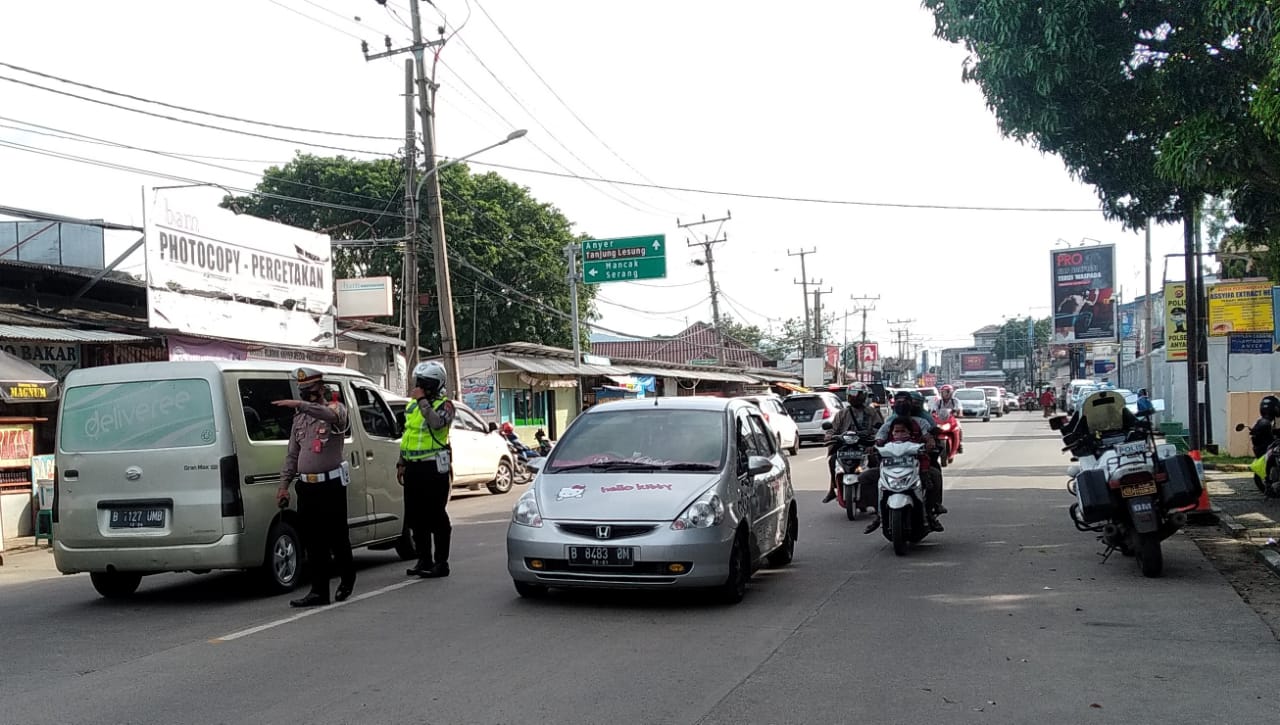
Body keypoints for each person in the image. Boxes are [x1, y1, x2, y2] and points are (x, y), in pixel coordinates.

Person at [275, 367, 354, 608]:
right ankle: (319, 591)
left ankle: (347, 578)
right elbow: (292, 454)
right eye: (302, 391)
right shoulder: (299, 419)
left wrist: (300, 403)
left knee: (337, 536)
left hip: (331, 485)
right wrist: (284, 485)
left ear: (320, 389)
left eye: (309, 391)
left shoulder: (335, 409)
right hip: (307, 487)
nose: (306, 395)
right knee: (313, 541)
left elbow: (330, 417)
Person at [399, 361, 457, 579]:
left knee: (436, 515)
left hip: (434, 469)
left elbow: (436, 423)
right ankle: (424, 559)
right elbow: (408, 435)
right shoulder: (412, 406)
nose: (420, 386)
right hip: (413, 467)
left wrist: (423, 400)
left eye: (424, 383)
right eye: (419, 383)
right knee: (414, 517)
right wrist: (401, 462)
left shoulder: (446, 405)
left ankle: (441, 562)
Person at [860, 416, 945, 534]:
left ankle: (929, 514)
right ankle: (879, 513)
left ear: (910, 432)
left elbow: (926, 455)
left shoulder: (916, 444)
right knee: (864, 477)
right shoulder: (887, 444)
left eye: (903, 431)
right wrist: (872, 449)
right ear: (892, 432)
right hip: (890, 475)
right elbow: (877, 443)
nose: (899, 434)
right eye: (896, 431)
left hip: (913, 473)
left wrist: (929, 447)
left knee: (934, 477)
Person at [823, 383, 884, 503]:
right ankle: (832, 489)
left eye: (857, 395)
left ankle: (878, 494)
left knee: (875, 461)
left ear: (864, 396)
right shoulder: (842, 413)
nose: (854, 397)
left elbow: (880, 429)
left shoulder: (872, 412)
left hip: (866, 445)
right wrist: (829, 436)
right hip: (846, 446)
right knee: (833, 460)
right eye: (851, 395)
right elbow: (833, 429)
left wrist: (875, 440)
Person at [1248, 396, 1280, 490]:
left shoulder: (1264, 422)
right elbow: (1272, 439)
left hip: (1265, 450)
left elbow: (1273, 433)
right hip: (1268, 451)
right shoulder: (1265, 423)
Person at [930, 384, 964, 461]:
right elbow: (933, 410)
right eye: (943, 392)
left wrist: (958, 413)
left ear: (951, 393)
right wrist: (933, 414)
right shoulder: (938, 402)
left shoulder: (955, 401)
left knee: (959, 427)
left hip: (952, 420)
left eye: (946, 392)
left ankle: (960, 443)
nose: (944, 394)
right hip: (941, 421)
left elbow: (959, 409)